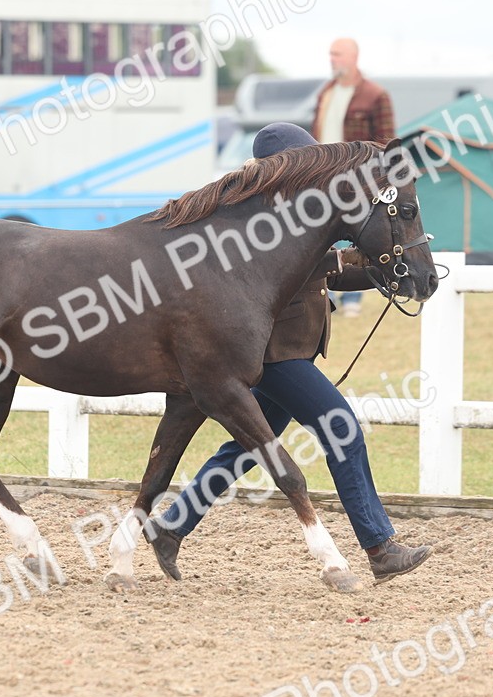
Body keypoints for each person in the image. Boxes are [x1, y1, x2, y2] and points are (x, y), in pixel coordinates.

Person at [144, 122, 432, 591]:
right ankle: (379, 547)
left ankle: (172, 525)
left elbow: (332, 274)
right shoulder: (268, 226)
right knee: (342, 429)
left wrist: (395, 273)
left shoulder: (300, 218)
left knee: (247, 447)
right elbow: (314, 269)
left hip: (290, 352)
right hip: (276, 356)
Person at [311, 38, 396, 318]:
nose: (332, 59)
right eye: (330, 54)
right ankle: (327, 291)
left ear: (353, 57)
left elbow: (387, 142)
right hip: (323, 177)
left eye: (337, 54)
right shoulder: (326, 92)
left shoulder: (375, 95)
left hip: (357, 179)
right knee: (323, 234)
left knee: (356, 234)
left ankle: (353, 299)